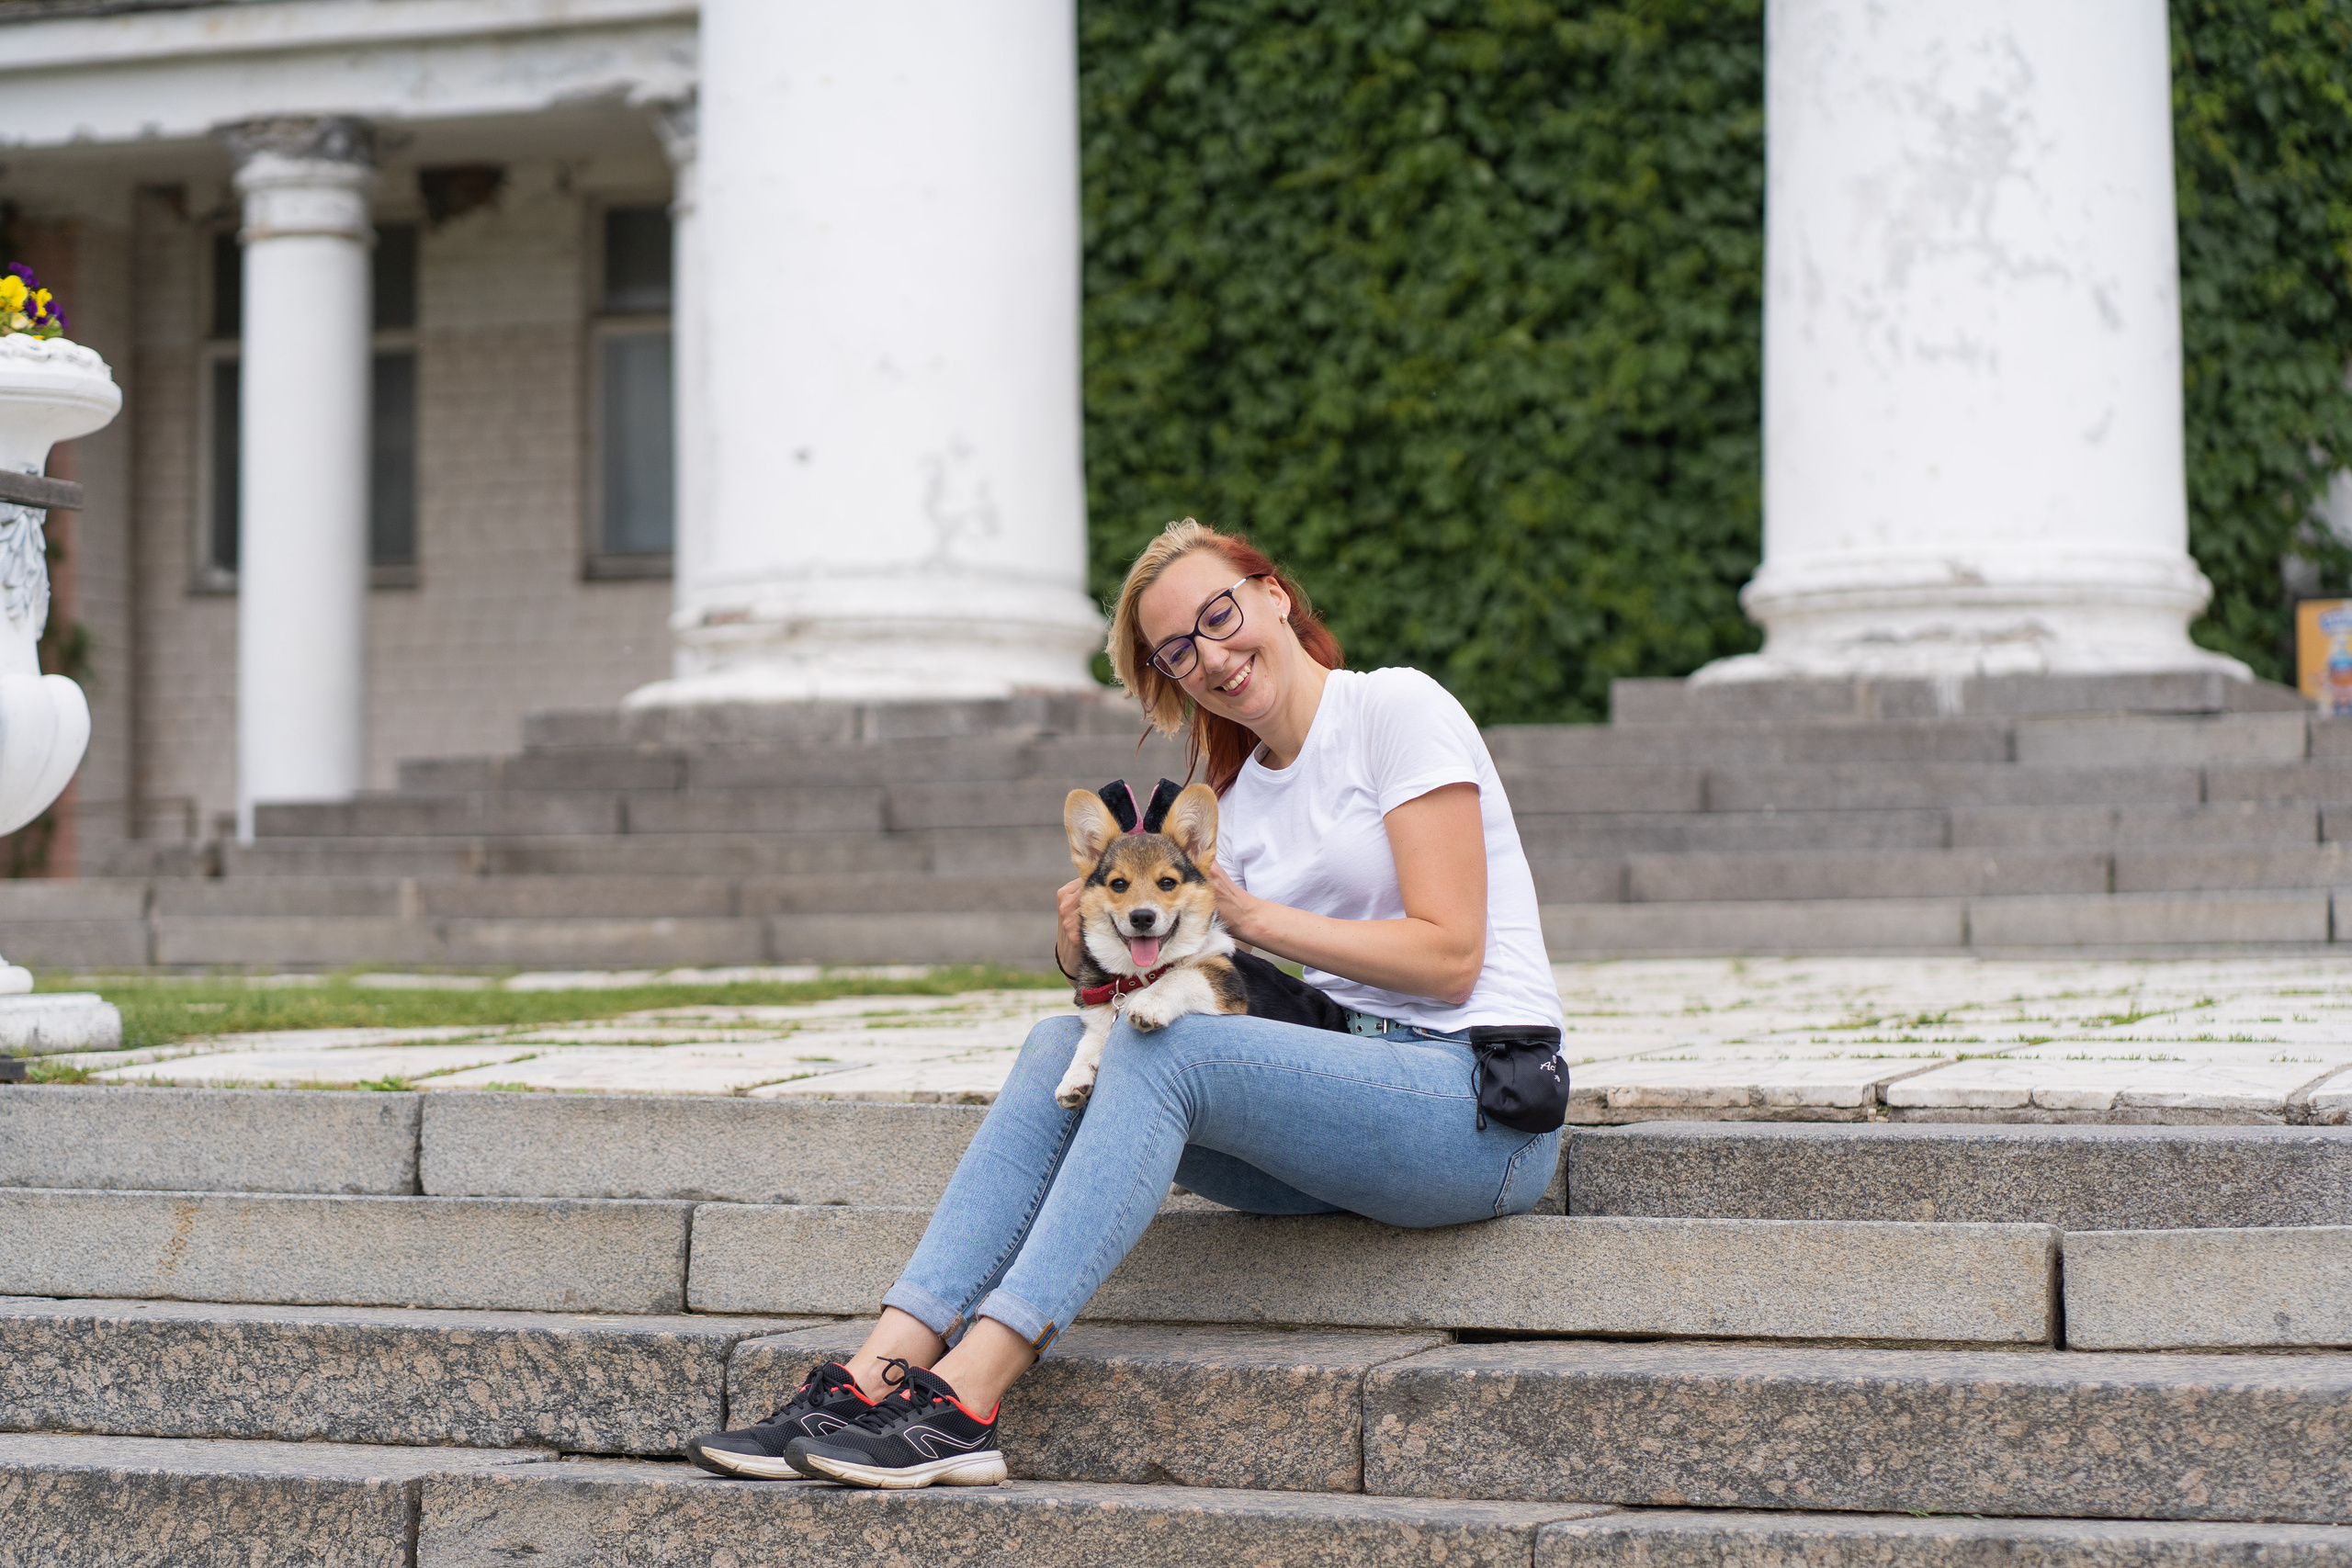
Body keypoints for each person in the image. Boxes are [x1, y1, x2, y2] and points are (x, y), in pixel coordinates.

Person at [685, 517, 1564, 1490]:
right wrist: (1082, 952)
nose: (1212, 656)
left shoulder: (1397, 710)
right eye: (1178, 651)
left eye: (1219, 616)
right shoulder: (1232, 794)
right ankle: (872, 1374)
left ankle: (968, 1401)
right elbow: (1180, 969)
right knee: (1062, 1039)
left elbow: (1448, 958)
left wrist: (1250, 914)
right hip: (1338, 1108)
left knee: (1167, 1046)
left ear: (1274, 594)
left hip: (1476, 1109)